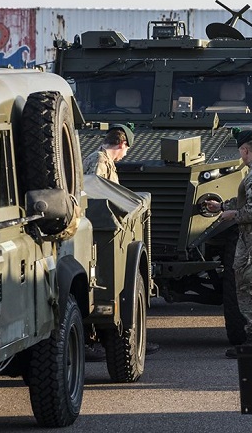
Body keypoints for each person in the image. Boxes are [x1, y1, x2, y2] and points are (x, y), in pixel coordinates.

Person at [82, 124, 161, 360]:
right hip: (98, 233)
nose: (126, 153)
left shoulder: (104, 161)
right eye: (127, 148)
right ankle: (91, 342)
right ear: (123, 144)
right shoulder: (98, 161)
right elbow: (95, 196)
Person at [203, 129, 252, 358]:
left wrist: (231, 215)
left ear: (245, 150)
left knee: (249, 287)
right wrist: (222, 206)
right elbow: (249, 200)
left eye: (241, 152)